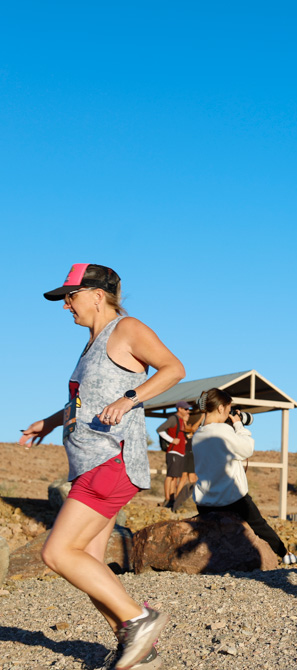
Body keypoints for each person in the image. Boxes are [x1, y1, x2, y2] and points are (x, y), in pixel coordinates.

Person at [20, 264, 185, 669]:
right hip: (91, 463)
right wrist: (50, 421)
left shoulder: (126, 329)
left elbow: (174, 369)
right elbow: (84, 403)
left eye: (70, 297)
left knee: (57, 553)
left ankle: (139, 620)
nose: (66, 306)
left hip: (110, 461)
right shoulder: (91, 345)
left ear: (97, 295)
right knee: (89, 563)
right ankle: (139, 652)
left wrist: (130, 398)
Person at [191, 388, 297, 565]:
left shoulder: (197, 435)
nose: (228, 413)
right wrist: (239, 425)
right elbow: (247, 449)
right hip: (231, 497)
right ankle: (284, 554)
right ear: (220, 408)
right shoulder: (223, 431)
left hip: (205, 502)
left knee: (217, 535)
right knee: (259, 525)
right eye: (228, 408)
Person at [157, 401, 192, 507]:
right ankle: (167, 499)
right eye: (185, 409)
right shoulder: (173, 419)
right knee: (170, 475)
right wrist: (172, 440)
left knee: (175, 476)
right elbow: (160, 430)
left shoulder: (181, 420)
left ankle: (172, 499)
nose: (187, 411)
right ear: (179, 409)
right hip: (173, 451)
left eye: (188, 409)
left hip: (180, 452)